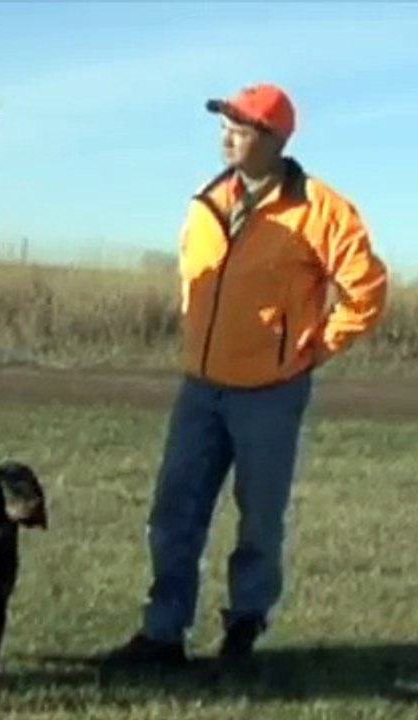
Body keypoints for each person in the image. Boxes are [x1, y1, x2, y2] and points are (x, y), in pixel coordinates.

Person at [108, 84, 388, 665]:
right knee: (174, 511)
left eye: (244, 126)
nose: (228, 134)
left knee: (259, 517)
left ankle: (244, 627)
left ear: (277, 140)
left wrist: (313, 347)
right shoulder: (207, 199)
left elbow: (366, 290)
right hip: (201, 387)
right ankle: (162, 633)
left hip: (271, 392)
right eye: (225, 123)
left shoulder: (321, 208)